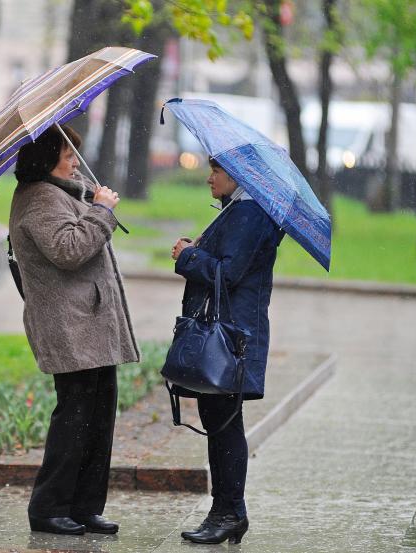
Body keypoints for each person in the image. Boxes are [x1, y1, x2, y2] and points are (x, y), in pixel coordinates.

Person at [8, 124, 140, 536]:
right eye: (67, 156)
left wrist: (95, 200)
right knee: (75, 419)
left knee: (98, 419)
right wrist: (101, 211)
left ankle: (84, 507)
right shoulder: (38, 199)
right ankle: (48, 508)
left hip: (89, 323)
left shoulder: (60, 191)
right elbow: (69, 251)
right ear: (45, 159)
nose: (74, 162)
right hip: (70, 327)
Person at [170, 157, 284, 545]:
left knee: (223, 423)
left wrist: (188, 255)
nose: (208, 178)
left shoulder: (250, 212)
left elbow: (227, 274)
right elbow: (226, 264)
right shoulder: (240, 209)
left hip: (231, 336)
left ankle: (229, 512)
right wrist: (199, 249)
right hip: (226, 333)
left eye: (215, 171)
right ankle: (226, 512)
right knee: (219, 421)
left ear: (237, 174)